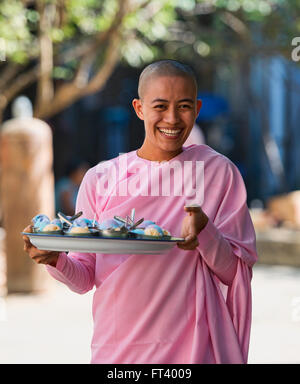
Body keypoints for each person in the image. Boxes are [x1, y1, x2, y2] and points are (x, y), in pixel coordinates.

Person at [23, 60, 258, 364]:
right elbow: (84, 277)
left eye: (184, 106)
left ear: (197, 108)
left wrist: (205, 232)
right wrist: (55, 258)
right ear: (139, 108)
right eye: (160, 106)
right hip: (119, 350)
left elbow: (235, 274)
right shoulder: (102, 178)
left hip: (193, 350)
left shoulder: (217, 173)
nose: (172, 118)